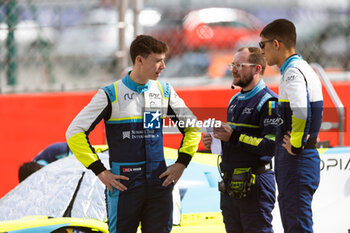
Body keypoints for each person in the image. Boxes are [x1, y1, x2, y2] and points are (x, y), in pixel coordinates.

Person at [66, 35, 201, 233]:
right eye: (158, 60)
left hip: (159, 183)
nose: (163, 66)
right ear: (139, 59)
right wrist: (100, 171)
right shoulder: (110, 94)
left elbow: (193, 127)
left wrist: (182, 162)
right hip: (125, 185)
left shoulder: (164, 91)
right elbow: (74, 132)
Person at [203, 47, 278, 233]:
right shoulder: (235, 100)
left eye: (239, 65)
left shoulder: (269, 102)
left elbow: (270, 146)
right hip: (230, 186)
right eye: (232, 64)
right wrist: (216, 142)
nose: (233, 69)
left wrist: (233, 136)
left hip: (255, 184)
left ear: (257, 69)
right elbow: (236, 142)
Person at [260, 19, 323, 233]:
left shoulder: (293, 72)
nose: (262, 52)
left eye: (263, 45)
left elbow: (301, 110)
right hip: (300, 159)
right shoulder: (301, 68)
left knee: (297, 225)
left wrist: (295, 144)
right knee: (295, 221)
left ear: (276, 44)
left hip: (297, 160)